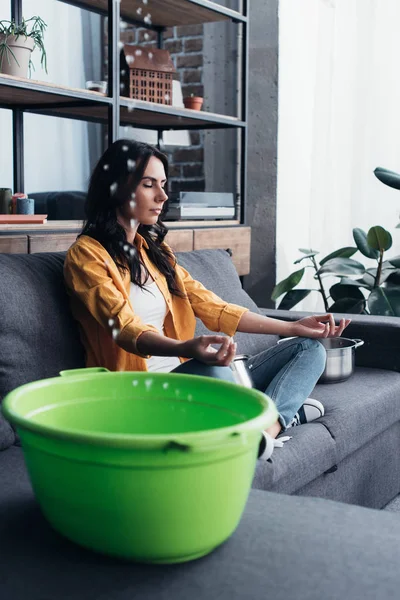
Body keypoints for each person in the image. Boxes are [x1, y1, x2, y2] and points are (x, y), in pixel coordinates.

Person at [64, 139, 350, 461]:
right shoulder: (86, 256)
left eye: (163, 185)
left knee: (309, 350)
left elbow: (213, 307)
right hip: (142, 394)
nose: (163, 196)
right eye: (149, 185)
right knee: (216, 375)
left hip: (192, 378)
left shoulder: (155, 253)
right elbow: (124, 328)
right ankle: (277, 414)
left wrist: (293, 326)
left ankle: (265, 430)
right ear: (117, 187)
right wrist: (185, 348)